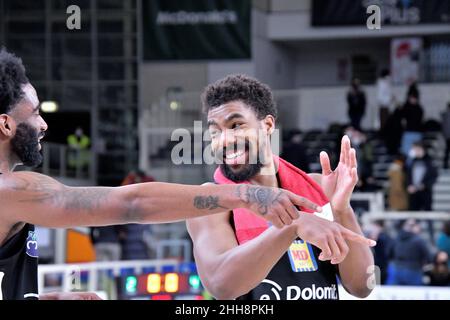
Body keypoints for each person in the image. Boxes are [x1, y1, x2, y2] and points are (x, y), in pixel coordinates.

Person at [0, 49, 319, 300]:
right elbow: (131, 204)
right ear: (6, 125)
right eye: (36, 112)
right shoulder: (11, 190)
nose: (43, 125)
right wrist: (247, 195)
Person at [187, 74, 376, 300]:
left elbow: (362, 286)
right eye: (215, 131)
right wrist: (291, 225)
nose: (223, 140)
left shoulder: (314, 187)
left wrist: (341, 209)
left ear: (267, 125)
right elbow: (222, 285)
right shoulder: (211, 200)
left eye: (236, 125)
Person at [406, 141, 438, 240]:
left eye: (417, 149)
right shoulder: (412, 161)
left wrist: (425, 185)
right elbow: (408, 176)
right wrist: (409, 185)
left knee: (428, 216)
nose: (415, 151)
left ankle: (431, 237)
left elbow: (433, 176)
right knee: (414, 217)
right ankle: (413, 238)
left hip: (426, 193)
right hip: (414, 194)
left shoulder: (430, 161)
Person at [387, 219, 432, 286]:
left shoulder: (396, 238)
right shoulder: (419, 240)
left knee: (396, 294)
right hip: (414, 270)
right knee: (414, 294)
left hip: (397, 269)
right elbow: (428, 257)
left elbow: (389, 254)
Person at [400, 92, 424, 158]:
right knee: (412, 153)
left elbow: (402, 117)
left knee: (408, 152)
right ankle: (411, 166)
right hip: (415, 132)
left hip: (411, 133)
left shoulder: (408, 108)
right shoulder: (419, 108)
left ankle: (411, 166)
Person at [441, 102, 450, 169]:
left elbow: (443, 127)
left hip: (447, 136)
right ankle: (445, 164)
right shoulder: (446, 115)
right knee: (447, 150)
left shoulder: (445, 115)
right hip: (448, 135)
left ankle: (445, 164)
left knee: (447, 150)